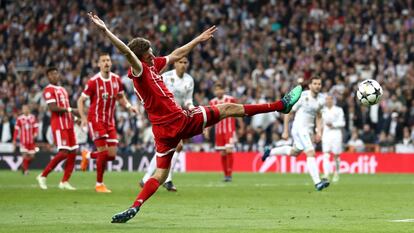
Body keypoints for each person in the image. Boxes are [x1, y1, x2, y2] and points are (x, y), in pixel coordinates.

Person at [88, 12, 302, 223]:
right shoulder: (139, 70)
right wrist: (106, 30)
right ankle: (280, 106)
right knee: (227, 108)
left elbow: (176, 53)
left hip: (162, 131)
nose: (153, 55)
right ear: (141, 56)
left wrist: (198, 40)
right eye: (149, 53)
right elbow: (126, 51)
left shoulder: (153, 66)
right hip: (178, 120)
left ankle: (135, 206)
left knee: (161, 174)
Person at [77, 53, 138, 193]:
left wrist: (129, 106)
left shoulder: (116, 80)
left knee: (111, 155)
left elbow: (120, 97)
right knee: (103, 153)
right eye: (103, 61)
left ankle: (87, 155)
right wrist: (83, 117)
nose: (106, 63)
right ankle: (99, 184)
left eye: (108, 60)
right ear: (99, 64)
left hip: (110, 121)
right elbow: (81, 100)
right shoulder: (93, 82)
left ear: (111, 63)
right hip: (96, 119)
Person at [262, 76, 329, 191]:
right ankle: (317, 182)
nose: (318, 86)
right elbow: (288, 112)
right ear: (310, 85)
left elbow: (318, 116)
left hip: (308, 130)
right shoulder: (302, 96)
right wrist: (285, 130)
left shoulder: (322, 99)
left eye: (319, 84)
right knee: (310, 152)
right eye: (315, 83)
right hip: (299, 128)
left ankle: (270, 151)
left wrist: (319, 132)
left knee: (295, 152)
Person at [140, 56, 194, 192]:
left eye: (185, 62)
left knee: (166, 148)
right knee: (177, 146)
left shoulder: (189, 80)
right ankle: (166, 179)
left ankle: (147, 178)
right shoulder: (165, 76)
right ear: (175, 63)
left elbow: (188, 100)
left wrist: (192, 107)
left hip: (178, 115)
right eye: (180, 62)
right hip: (163, 114)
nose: (183, 65)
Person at [36, 67, 80, 190]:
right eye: (51, 74)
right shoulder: (48, 90)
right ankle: (43, 175)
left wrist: (75, 118)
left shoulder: (63, 90)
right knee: (63, 153)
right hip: (59, 125)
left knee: (73, 152)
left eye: (56, 73)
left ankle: (64, 181)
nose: (54, 76)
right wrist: (71, 109)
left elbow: (66, 107)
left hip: (69, 124)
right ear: (48, 77)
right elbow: (53, 108)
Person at [208, 83, 244, 182]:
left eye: (220, 89)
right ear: (214, 91)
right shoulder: (212, 102)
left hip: (229, 130)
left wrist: (241, 126)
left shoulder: (230, 99)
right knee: (223, 153)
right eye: (217, 90)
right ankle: (226, 175)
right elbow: (210, 118)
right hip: (219, 131)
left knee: (229, 150)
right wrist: (207, 129)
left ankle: (229, 174)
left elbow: (238, 111)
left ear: (224, 90)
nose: (218, 91)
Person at [321, 95, 345, 183]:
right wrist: (318, 132)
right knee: (326, 154)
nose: (328, 101)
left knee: (336, 155)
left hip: (336, 134)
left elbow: (342, 123)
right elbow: (320, 122)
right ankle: (326, 174)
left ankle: (336, 172)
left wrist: (333, 124)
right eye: (326, 99)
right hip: (326, 135)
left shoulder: (338, 110)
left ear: (333, 100)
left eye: (330, 99)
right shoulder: (322, 110)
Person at [12, 105, 39, 175]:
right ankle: (26, 171)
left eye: (26, 109)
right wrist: (14, 139)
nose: (25, 110)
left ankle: (23, 165)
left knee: (32, 157)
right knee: (25, 155)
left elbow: (36, 127)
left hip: (31, 141)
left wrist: (35, 133)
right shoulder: (20, 119)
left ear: (29, 109)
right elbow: (16, 130)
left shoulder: (33, 117)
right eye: (24, 109)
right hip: (23, 141)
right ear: (22, 110)